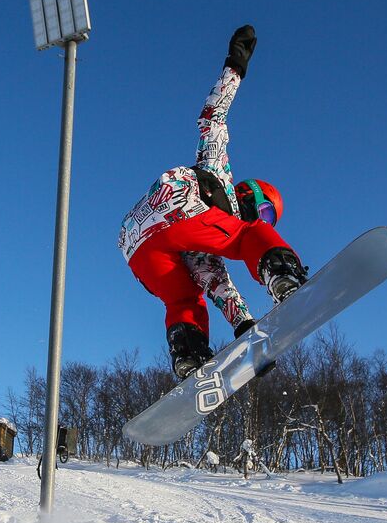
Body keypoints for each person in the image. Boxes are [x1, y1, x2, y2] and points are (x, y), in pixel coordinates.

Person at [119, 24, 308, 378]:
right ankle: (282, 271)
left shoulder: (210, 241)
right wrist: (235, 67)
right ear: (252, 194)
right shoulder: (218, 172)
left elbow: (218, 283)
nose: (263, 220)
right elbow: (213, 117)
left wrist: (247, 329)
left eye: (268, 220)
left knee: (183, 298)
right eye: (265, 211)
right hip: (178, 205)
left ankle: (188, 353)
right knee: (245, 237)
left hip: (136, 245)